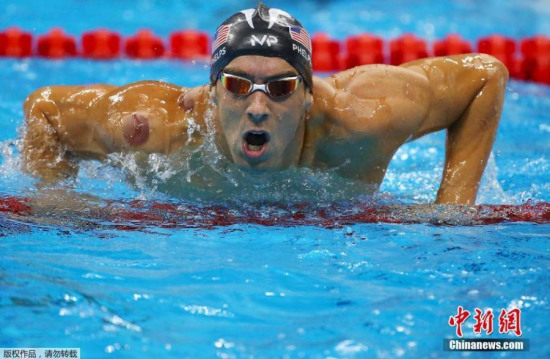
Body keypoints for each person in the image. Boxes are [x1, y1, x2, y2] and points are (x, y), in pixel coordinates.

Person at [21, 2, 508, 205]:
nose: (257, 107)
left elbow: (485, 75)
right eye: (235, 86)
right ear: (211, 96)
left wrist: (453, 214)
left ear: (309, 99)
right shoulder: (158, 128)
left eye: (280, 89)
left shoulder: (365, 118)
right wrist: (57, 205)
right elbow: (44, 108)